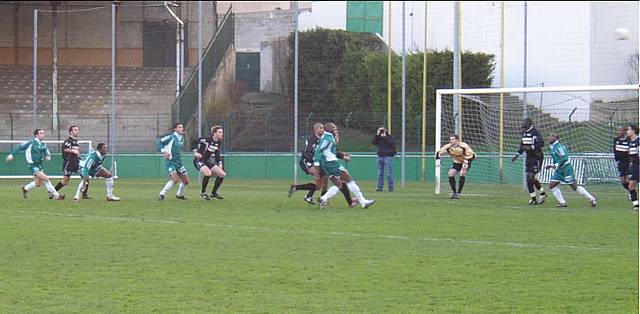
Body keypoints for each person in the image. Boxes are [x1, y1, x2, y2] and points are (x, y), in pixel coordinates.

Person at [288, 122, 356, 207]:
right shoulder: (312, 140)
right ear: (316, 130)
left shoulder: (325, 138)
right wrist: (314, 166)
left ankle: (299, 189)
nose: (323, 130)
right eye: (321, 128)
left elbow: (331, 151)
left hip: (320, 163)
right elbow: (307, 153)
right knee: (325, 181)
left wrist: (342, 156)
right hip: (307, 162)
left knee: (321, 184)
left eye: (323, 128)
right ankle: (319, 199)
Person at [315, 123, 375, 209]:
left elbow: (331, 148)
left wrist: (342, 155)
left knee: (339, 184)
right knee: (349, 180)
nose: (336, 131)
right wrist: (316, 164)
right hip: (331, 164)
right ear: (330, 131)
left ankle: (323, 198)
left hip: (327, 164)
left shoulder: (328, 137)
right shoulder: (327, 138)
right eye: (334, 130)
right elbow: (319, 150)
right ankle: (363, 202)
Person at [5, 129, 65, 200]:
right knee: (46, 179)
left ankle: (25, 188)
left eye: (43, 133)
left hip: (40, 165)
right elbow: (19, 147)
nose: (43, 134)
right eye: (41, 133)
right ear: (36, 135)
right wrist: (11, 155)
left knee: (38, 183)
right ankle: (56, 195)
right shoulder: (31, 143)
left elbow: (47, 153)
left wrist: (47, 156)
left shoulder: (43, 144)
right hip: (33, 166)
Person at [545, 133, 597, 208]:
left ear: (556, 138)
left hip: (566, 169)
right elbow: (558, 159)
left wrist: (556, 165)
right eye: (549, 136)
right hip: (559, 170)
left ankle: (591, 199)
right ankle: (562, 203)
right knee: (552, 185)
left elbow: (564, 158)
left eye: (551, 136)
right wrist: (552, 165)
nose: (549, 137)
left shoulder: (559, 147)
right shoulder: (553, 147)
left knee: (574, 187)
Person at [511, 118, 547, 205]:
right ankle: (535, 197)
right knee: (529, 179)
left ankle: (541, 194)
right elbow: (522, 146)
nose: (523, 124)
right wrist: (517, 155)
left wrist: (532, 147)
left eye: (525, 122)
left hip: (537, 157)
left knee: (530, 177)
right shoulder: (524, 133)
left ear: (529, 123)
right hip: (529, 158)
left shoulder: (535, 132)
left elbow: (541, 143)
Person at [51, 125, 90, 199]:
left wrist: (79, 156)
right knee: (65, 181)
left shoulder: (76, 141)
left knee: (85, 176)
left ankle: (84, 194)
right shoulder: (68, 141)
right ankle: (53, 192)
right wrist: (73, 151)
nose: (77, 131)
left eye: (77, 129)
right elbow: (64, 149)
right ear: (71, 132)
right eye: (75, 130)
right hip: (69, 162)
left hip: (76, 162)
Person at [156, 122, 189, 200]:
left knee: (186, 181)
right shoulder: (171, 137)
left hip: (179, 163)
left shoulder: (181, 138)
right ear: (175, 129)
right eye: (180, 127)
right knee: (175, 180)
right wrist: (164, 151)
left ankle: (179, 195)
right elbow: (159, 142)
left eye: (182, 127)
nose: (182, 129)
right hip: (171, 162)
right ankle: (162, 194)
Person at [435, 134, 475, 199]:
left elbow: (472, 155)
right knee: (450, 174)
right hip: (457, 162)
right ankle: (454, 192)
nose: (451, 141)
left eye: (452, 139)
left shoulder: (463, 146)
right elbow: (439, 153)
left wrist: (467, 161)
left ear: (457, 140)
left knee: (462, 172)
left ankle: (458, 193)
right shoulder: (448, 146)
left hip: (466, 161)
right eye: (450, 139)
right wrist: (438, 160)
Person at [192, 125, 226, 200]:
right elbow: (194, 142)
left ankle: (213, 193)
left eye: (222, 132)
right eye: (220, 132)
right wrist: (196, 153)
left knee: (222, 174)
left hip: (207, 161)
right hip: (199, 161)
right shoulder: (207, 139)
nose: (222, 133)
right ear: (214, 133)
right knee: (208, 173)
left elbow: (217, 153)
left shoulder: (218, 142)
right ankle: (203, 192)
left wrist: (220, 163)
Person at [372, 126, 396, 192]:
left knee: (389, 173)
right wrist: (377, 134)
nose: (381, 131)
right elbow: (373, 142)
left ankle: (390, 188)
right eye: (380, 130)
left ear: (385, 130)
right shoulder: (378, 137)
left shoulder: (389, 137)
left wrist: (385, 137)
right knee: (380, 173)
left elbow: (392, 144)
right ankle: (379, 188)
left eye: (383, 130)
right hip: (380, 156)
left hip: (388, 156)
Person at [612, 126, 630, 196]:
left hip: (628, 162)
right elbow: (614, 150)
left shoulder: (629, 140)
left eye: (621, 130)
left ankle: (632, 193)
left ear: (625, 132)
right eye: (618, 130)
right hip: (620, 162)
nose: (619, 132)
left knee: (629, 179)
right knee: (623, 182)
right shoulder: (616, 140)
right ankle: (631, 191)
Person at [626, 125, 639, 211]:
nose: (627, 131)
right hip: (635, 166)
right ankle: (636, 206)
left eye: (628, 130)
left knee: (632, 185)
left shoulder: (638, 141)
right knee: (631, 186)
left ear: (633, 131)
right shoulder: (630, 142)